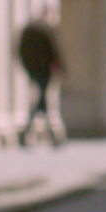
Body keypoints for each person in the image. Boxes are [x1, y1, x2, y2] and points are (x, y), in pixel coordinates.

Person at [16, 17, 64, 148]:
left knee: (41, 101)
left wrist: (28, 69)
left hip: (34, 71)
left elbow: (20, 52)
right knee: (42, 101)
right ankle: (51, 134)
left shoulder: (28, 33)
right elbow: (53, 51)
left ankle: (29, 132)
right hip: (44, 71)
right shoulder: (44, 31)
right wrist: (61, 68)